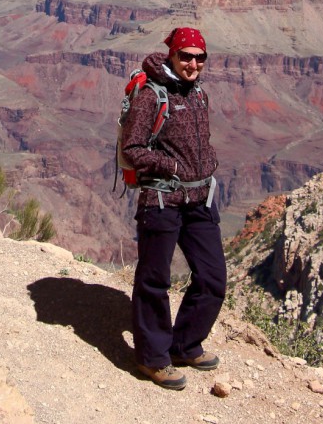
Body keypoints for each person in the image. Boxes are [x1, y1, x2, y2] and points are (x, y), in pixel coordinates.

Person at [121, 26, 227, 391]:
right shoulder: (152, 96)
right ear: (172, 55)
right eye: (186, 56)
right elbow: (132, 150)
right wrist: (172, 167)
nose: (193, 63)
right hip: (162, 201)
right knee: (154, 280)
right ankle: (153, 358)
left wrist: (206, 164)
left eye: (200, 57)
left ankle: (184, 344)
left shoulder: (198, 95)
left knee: (212, 278)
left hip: (199, 201)